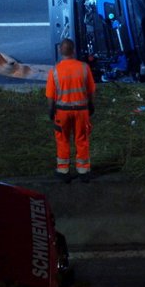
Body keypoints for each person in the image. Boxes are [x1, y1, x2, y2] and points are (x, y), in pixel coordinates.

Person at [46, 38, 96, 183]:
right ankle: (83, 171)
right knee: (82, 138)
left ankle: (63, 170)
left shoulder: (54, 71)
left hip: (62, 111)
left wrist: (51, 111)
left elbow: (50, 96)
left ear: (60, 51)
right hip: (81, 110)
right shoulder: (84, 68)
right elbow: (92, 90)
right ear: (73, 51)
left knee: (62, 139)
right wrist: (91, 106)